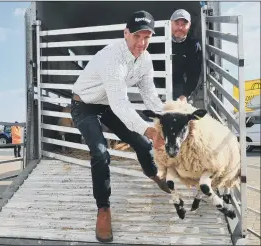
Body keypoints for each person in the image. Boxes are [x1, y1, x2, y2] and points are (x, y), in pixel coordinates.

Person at [70, 10, 169, 243]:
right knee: (101, 152)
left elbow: (150, 96)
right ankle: (103, 209)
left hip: (107, 105)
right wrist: (150, 130)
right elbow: (121, 104)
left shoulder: (145, 59)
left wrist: (169, 118)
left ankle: (154, 174)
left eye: (147, 37)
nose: (141, 43)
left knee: (143, 145)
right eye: (137, 36)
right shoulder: (112, 57)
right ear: (126, 33)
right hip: (84, 104)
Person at [170, 9, 202, 101]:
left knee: (181, 111)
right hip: (155, 80)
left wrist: (185, 94)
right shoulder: (159, 40)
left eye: (184, 24)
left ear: (189, 25)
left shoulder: (193, 45)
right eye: (177, 23)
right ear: (170, 23)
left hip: (177, 82)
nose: (180, 27)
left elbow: (194, 74)